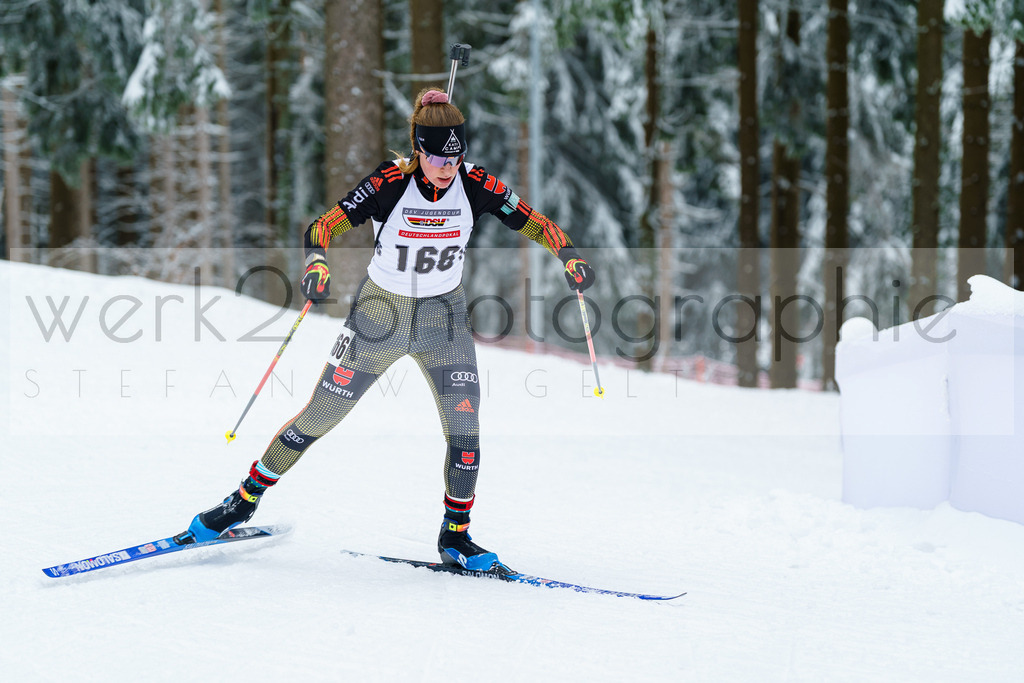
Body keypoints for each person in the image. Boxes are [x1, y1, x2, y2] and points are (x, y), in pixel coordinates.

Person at [174, 88, 595, 571]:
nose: (448, 167)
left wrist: (570, 256)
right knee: (319, 417)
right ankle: (241, 502)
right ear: (419, 148)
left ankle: (456, 537)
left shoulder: (475, 183)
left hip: (443, 320)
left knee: (465, 432)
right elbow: (321, 227)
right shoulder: (390, 182)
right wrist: (316, 263)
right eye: (438, 157)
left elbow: (535, 223)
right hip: (380, 316)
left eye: (456, 157)